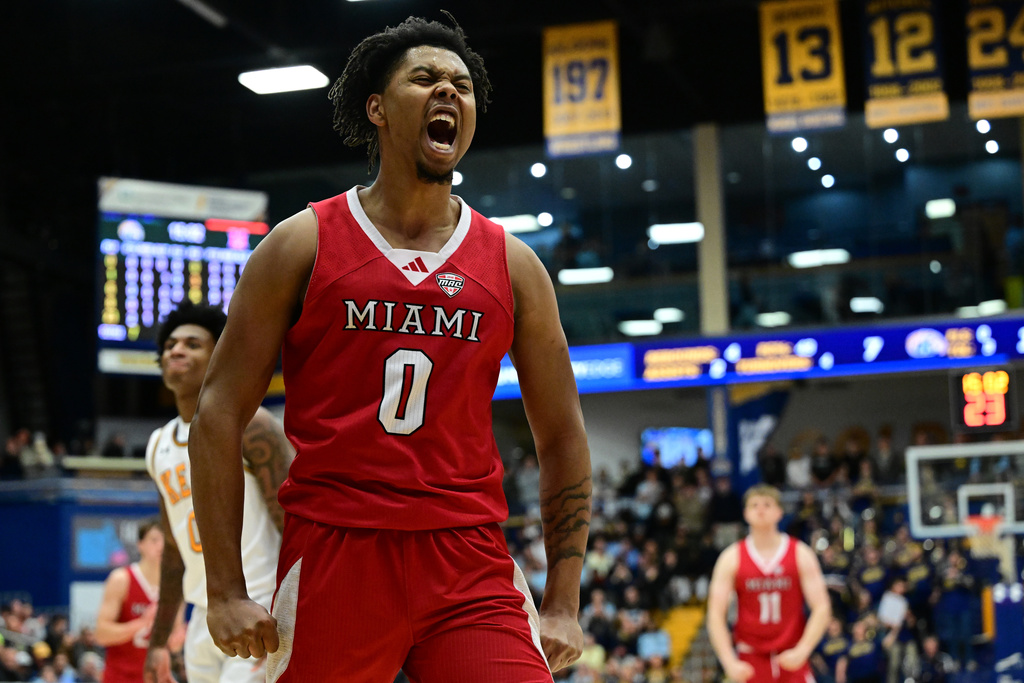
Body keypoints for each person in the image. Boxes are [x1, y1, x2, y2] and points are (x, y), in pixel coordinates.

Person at [187, 15, 592, 683]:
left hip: (466, 558)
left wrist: (563, 602)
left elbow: (564, 436)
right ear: (376, 108)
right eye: (425, 79)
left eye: (462, 86)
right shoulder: (301, 243)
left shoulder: (513, 265)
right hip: (335, 554)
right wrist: (226, 590)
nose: (448, 94)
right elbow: (219, 412)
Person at [142, 302, 292, 683]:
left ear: (218, 357)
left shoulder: (252, 424)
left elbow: (295, 518)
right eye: (171, 344)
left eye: (193, 344)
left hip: (260, 608)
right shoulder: (158, 443)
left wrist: (296, 608)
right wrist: (159, 642)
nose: (176, 350)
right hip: (204, 618)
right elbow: (174, 552)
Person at [707, 484, 831, 682]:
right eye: (754, 505)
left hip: (791, 655)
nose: (761, 509)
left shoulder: (800, 553)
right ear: (746, 513)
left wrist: (804, 650)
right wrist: (728, 661)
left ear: (779, 512)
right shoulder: (731, 558)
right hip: (750, 659)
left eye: (767, 504)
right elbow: (715, 614)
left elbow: (822, 607)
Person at [94, 519, 168, 683]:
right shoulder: (121, 579)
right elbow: (100, 634)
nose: (161, 546)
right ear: (140, 544)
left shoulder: (174, 586)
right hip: (120, 677)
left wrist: (179, 637)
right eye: (154, 540)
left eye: (166, 540)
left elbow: (174, 644)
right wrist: (142, 623)